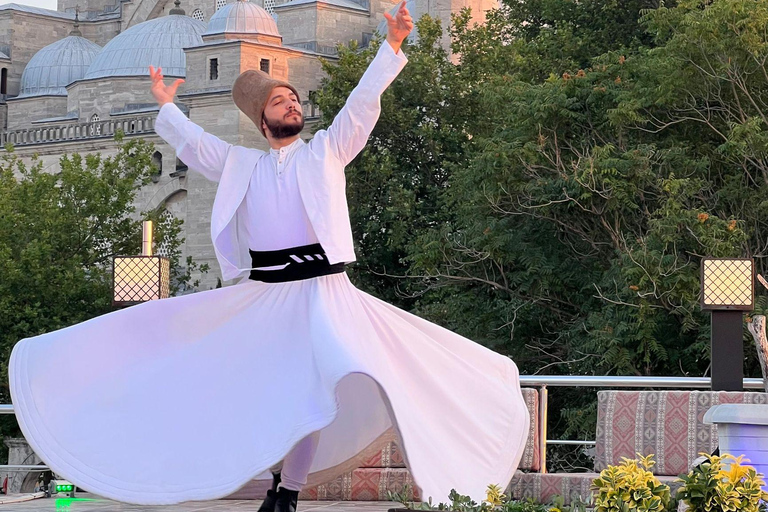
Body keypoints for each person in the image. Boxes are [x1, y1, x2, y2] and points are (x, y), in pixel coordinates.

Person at [8, 3, 530, 510]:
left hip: (324, 293)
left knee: (322, 391)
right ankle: (262, 480)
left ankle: (289, 492)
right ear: (263, 120)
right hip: (265, 296)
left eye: (295, 98)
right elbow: (195, 146)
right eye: (280, 101)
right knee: (219, 365)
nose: (291, 104)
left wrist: (392, 45)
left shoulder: (326, 150)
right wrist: (165, 106)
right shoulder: (244, 166)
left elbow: (361, 105)